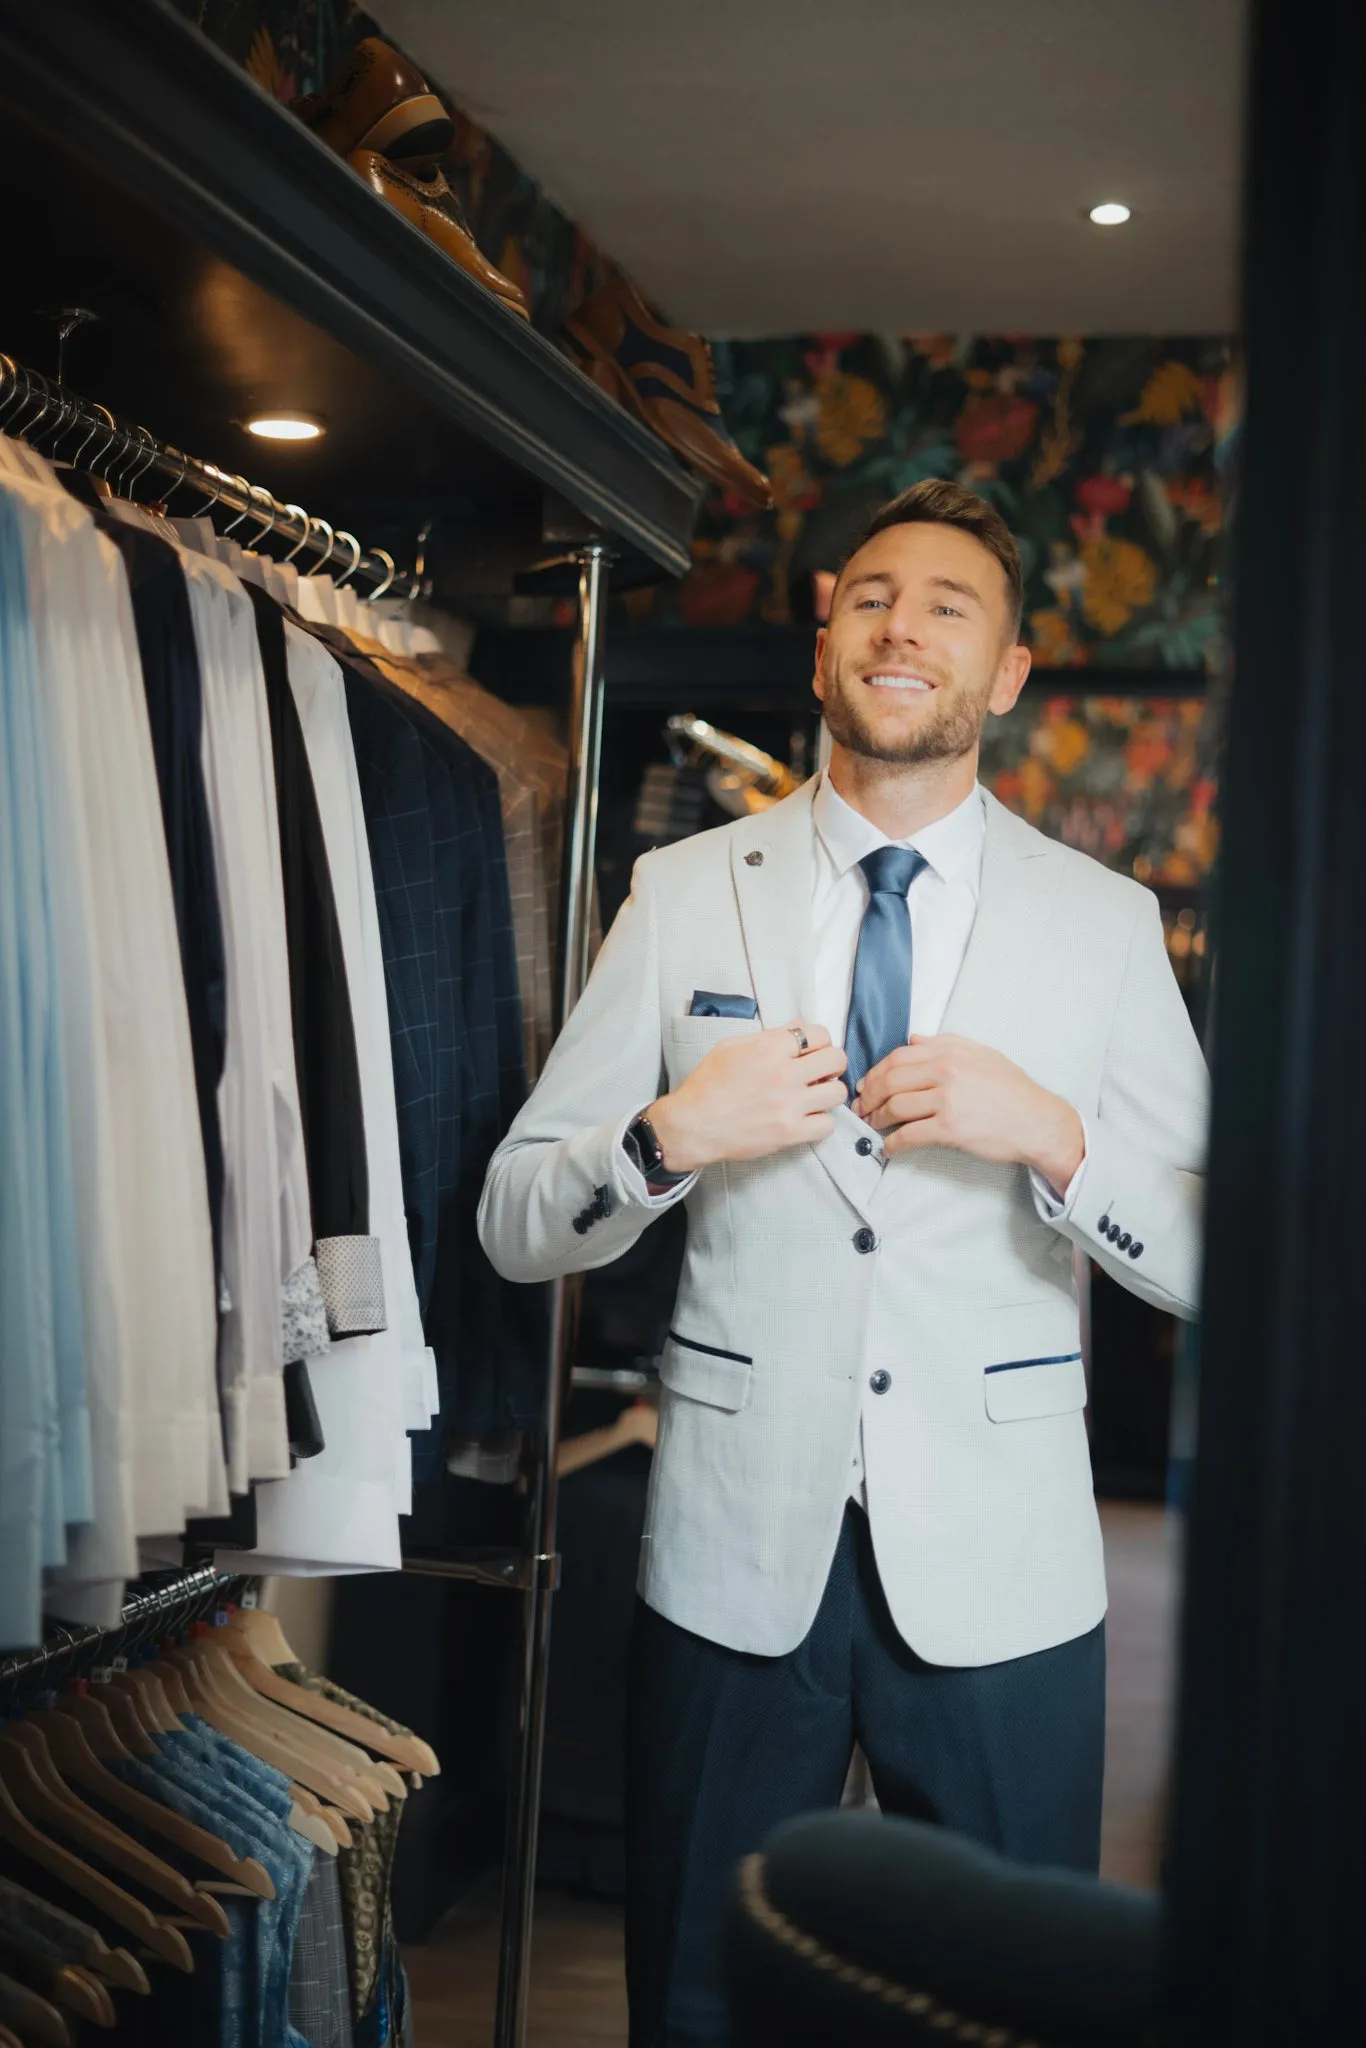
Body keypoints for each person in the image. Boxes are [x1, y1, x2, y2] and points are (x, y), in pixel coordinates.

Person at [479, 479, 1208, 2047]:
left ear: (1005, 676)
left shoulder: (1102, 923)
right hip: (735, 1557)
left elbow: (1219, 1260)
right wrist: (668, 1137)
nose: (902, 626)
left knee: (1011, 2007)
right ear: (824, 644)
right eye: (871, 596)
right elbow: (518, 1215)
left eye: (950, 606)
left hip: (1006, 1571)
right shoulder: (682, 893)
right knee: (694, 1994)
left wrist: (1057, 1141)